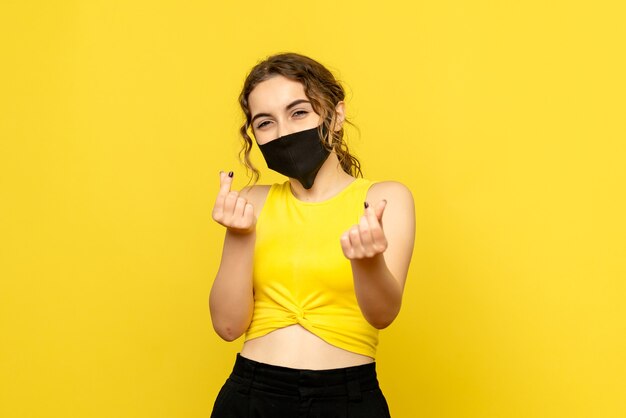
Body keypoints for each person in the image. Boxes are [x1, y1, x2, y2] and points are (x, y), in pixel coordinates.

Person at [209, 52, 415, 418]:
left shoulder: (383, 199)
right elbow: (227, 326)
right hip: (251, 394)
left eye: (299, 112)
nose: (284, 132)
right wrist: (240, 236)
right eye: (265, 122)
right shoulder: (250, 202)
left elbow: (382, 315)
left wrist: (367, 262)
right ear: (253, 133)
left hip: (347, 398)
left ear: (336, 115)